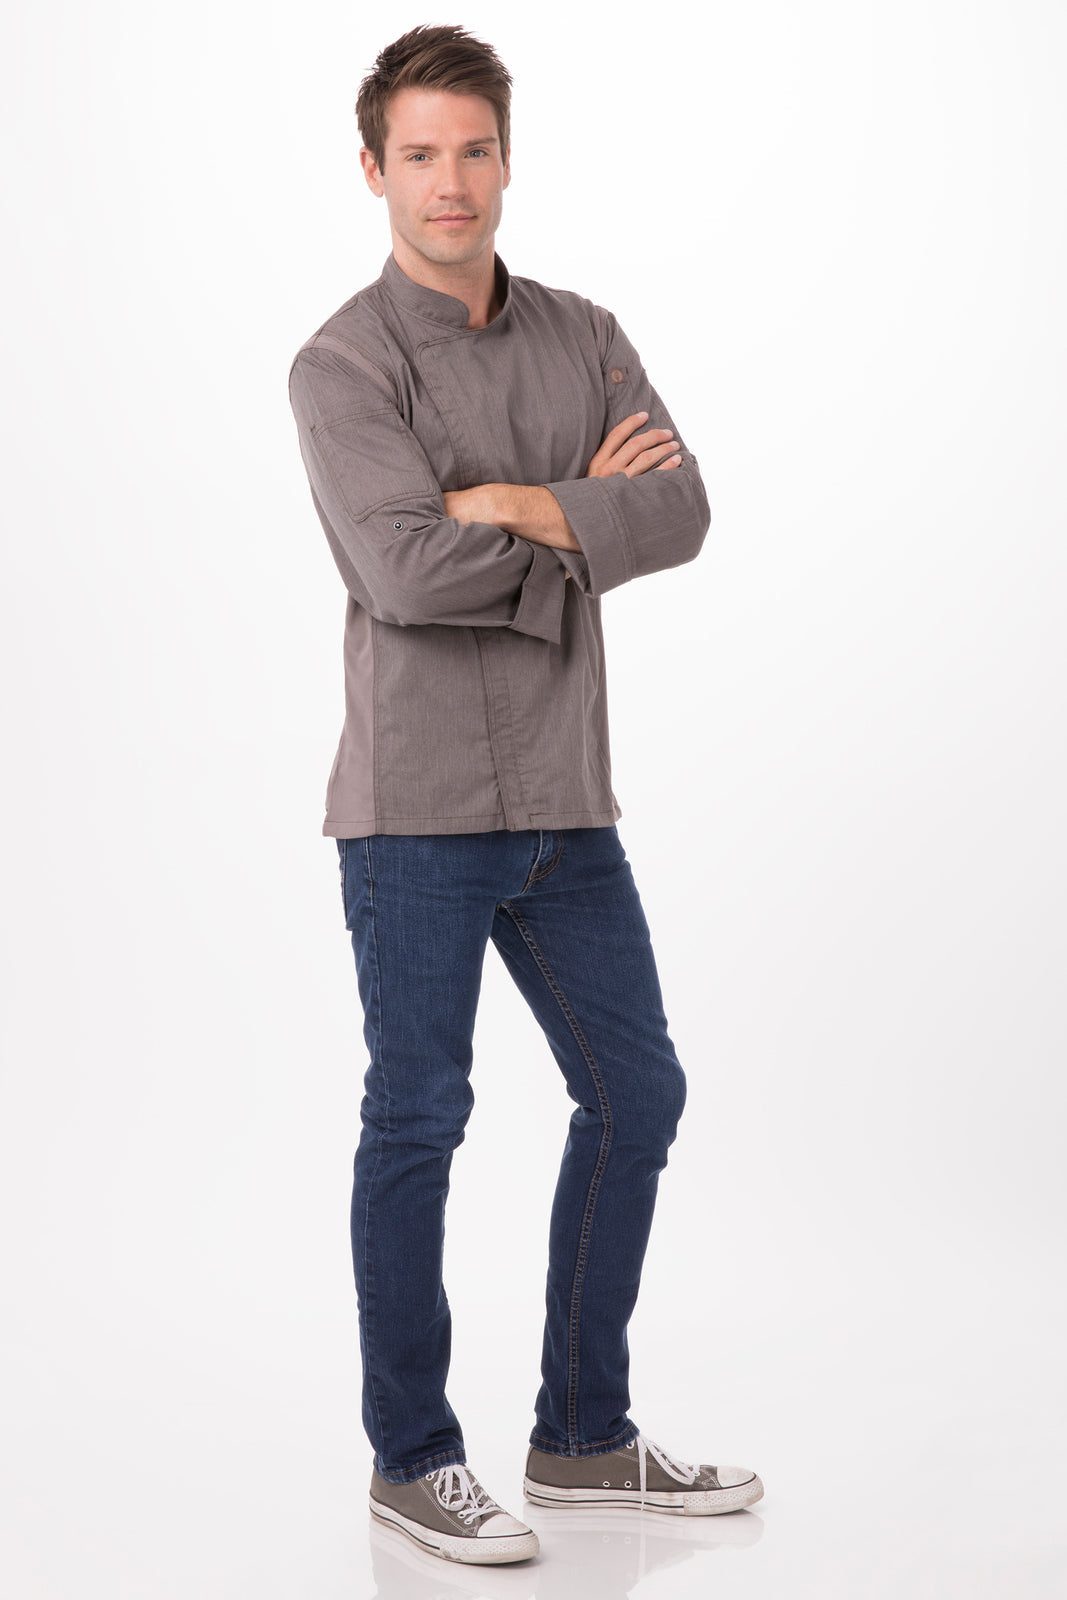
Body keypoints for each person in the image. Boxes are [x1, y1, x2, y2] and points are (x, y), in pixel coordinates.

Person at [288, 23, 764, 1568]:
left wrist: (502, 502)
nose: (452, 182)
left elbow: (682, 508)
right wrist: (581, 524)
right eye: (420, 154)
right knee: (418, 1117)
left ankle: (581, 1434)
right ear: (374, 171)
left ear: (508, 159)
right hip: (416, 810)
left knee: (640, 1096)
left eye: (475, 150)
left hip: (567, 798)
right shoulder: (341, 365)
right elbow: (401, 572)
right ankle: (413, 1458)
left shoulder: (585, 333)